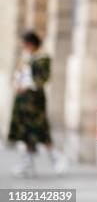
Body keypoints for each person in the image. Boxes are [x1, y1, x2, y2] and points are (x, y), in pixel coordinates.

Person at [8, 30, 68, 177]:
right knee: (25, 132)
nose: (24, 47)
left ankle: (56, 158)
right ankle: (27, 162)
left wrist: (26, 86)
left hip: (34, 101)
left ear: (31, 43)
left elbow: (42, 79)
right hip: (23, 101)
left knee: (40, 129)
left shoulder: (43, 58)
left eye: (25, 44)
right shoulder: (28, 57)